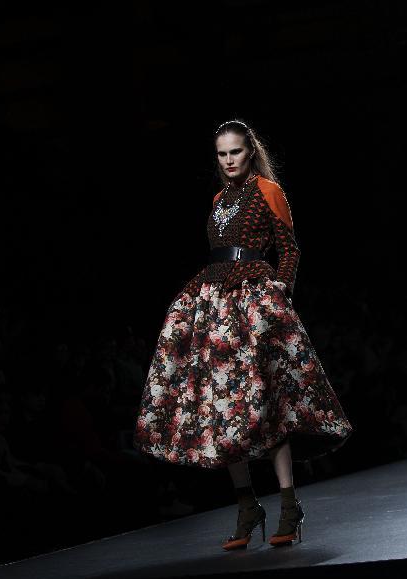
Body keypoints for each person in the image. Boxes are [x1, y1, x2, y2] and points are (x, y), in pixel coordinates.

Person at [132, 119, 354, 550]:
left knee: (265, 402)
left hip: (253, 301)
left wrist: (280, 291)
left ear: (250, 151)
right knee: (222, 407)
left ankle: (289, 506)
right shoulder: (217, 199)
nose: (229, 160)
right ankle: (247, 506)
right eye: (222, 153)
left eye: (235, 151)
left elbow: (289, 247)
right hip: (215, 302)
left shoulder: (269, 190)